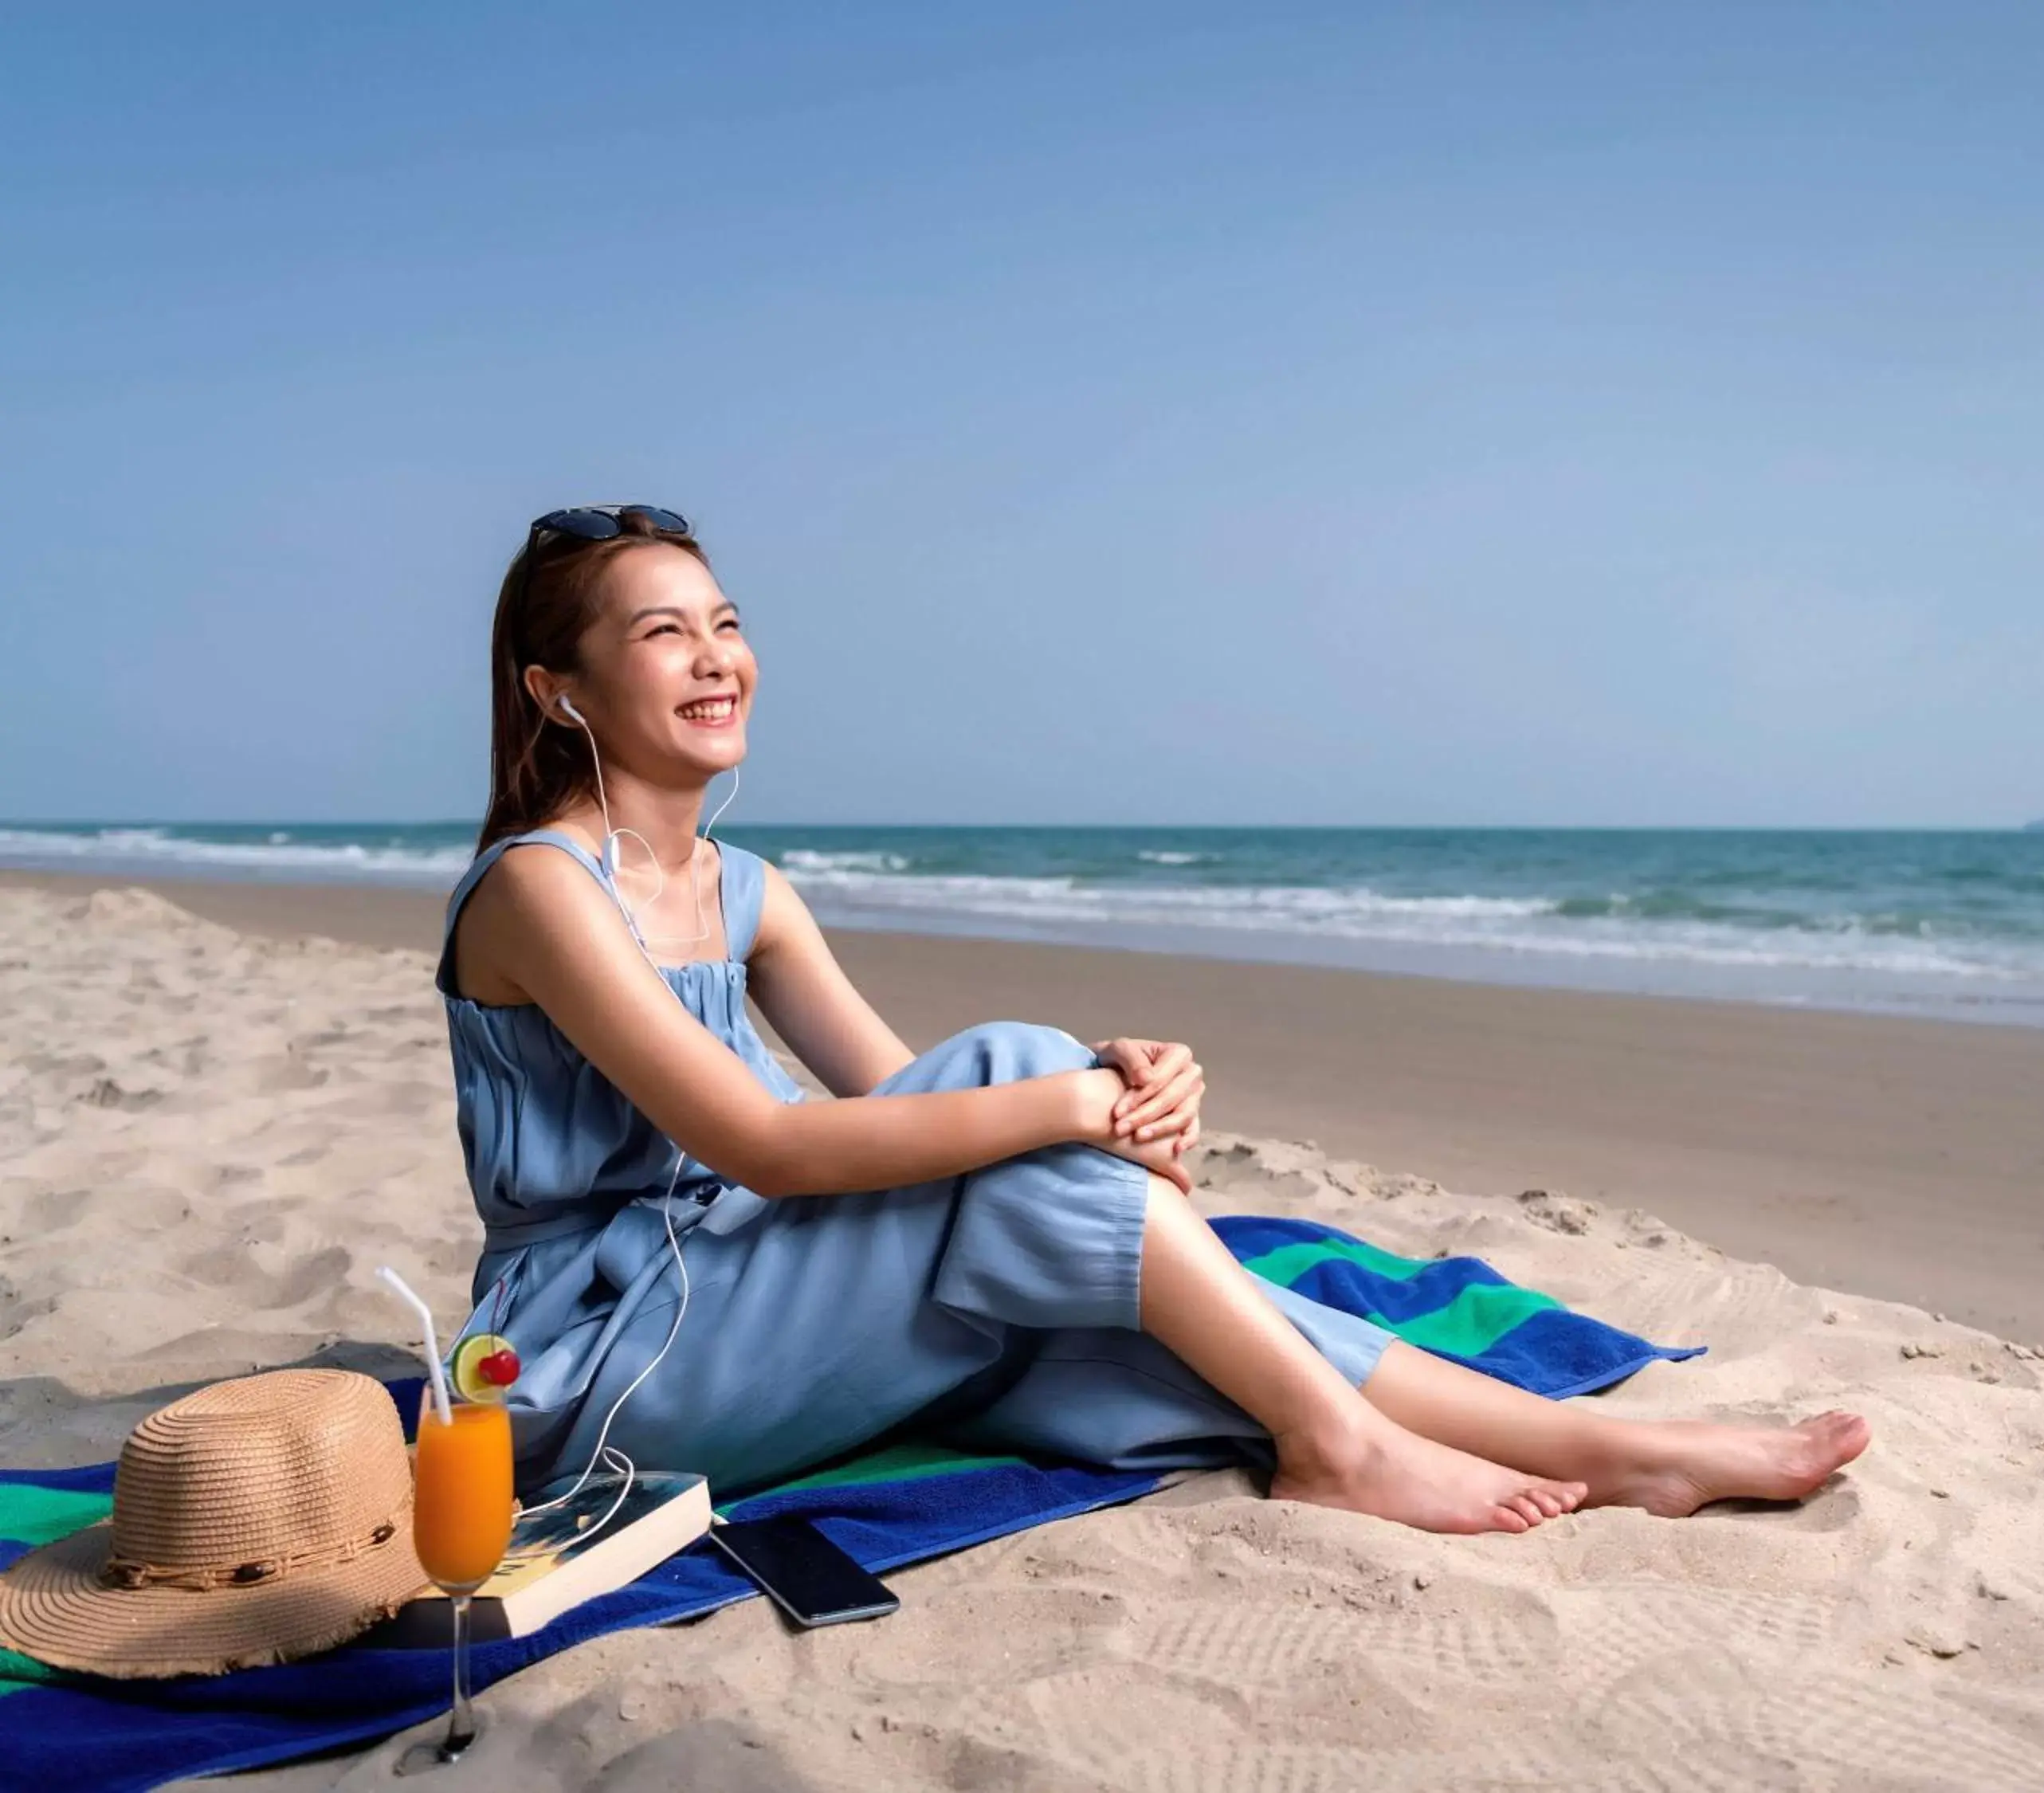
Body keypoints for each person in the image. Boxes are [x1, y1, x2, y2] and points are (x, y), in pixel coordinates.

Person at [438, 504, 1869, 1536]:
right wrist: (1068, 1100)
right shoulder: (542, 888)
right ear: (557, 689)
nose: (715, 656)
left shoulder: (748, 890)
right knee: (1020, 1076)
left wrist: (1120, 1087)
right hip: (594, 1369)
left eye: (728, 623)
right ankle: (1339, 1442)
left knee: (1146, 1315)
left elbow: (903, 1108)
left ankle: (1610, 1448)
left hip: (757, 1300)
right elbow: (772, 1144)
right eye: (664, 632)